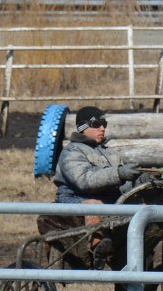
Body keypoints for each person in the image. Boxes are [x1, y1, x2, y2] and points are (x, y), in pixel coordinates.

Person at [52, 106, 143, 261]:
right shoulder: (71, 152)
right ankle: (98, 246)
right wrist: (119, 173)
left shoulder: (110, 153)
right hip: (75, 198)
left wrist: (142, 179)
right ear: (83, 127)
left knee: (147, 205)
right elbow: (85, 180)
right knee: (94, 204)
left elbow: (124, 185)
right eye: (96, 124)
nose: (102, 128)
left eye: (104, 124)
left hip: (108, 199)